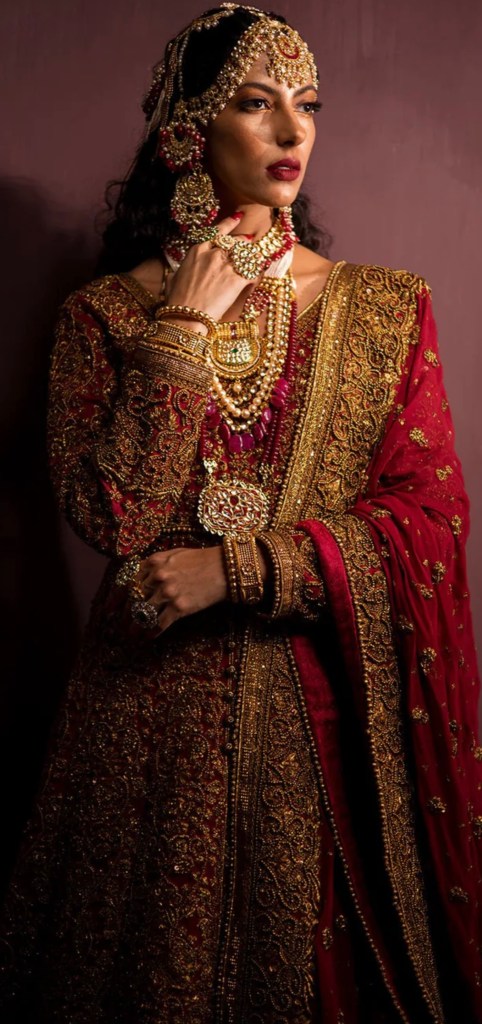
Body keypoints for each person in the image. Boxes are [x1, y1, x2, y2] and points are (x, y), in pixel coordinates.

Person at [1, 4, 481, 1022]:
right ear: (187, 133)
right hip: (141, 728)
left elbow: (428, 526)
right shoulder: (105, 317)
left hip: (316, 715)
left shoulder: (382, 307)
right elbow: (115, 515)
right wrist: (180, 326)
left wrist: (239, 569)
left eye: (305, 106)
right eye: (255, 106)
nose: (290, 131)